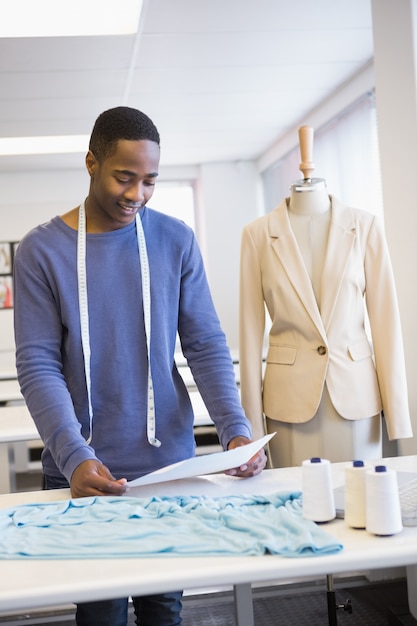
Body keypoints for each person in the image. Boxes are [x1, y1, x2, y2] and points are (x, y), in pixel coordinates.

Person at [13, 106, 267, 626]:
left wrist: (235, 432)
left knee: (164, 610)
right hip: (84, 471)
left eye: (150, 181)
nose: (136, 194)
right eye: (123, 177)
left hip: (169, 468)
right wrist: (73, 456)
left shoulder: (176, 240)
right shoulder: (42, 250)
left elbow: (205, 344)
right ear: (91, 163)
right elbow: (38, 364)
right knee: (101, 612)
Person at [239, 129, 413, 468]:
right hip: (287, 403)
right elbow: (248, 332)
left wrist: (397, 412)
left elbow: (385, 322)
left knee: (362, 507)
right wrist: (250, 429)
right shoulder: (258, 235)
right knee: (296, 504)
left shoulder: (364, 227)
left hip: (356, 397)